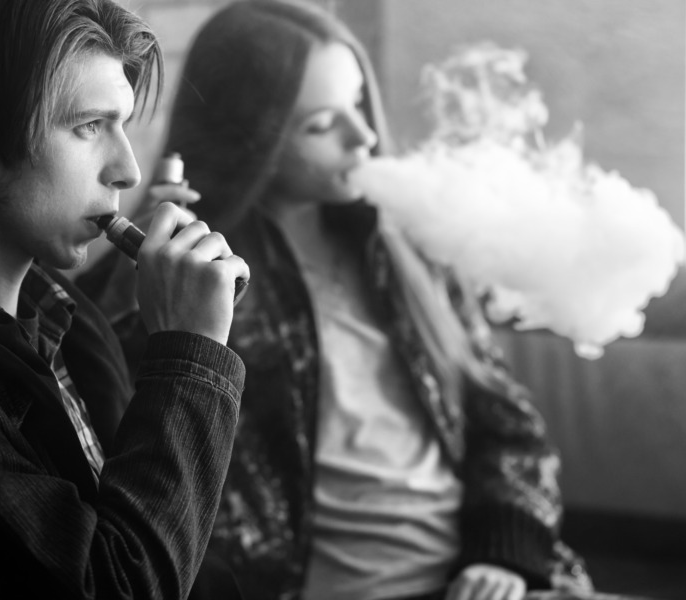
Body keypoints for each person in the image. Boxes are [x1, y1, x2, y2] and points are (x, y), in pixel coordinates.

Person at [79, 1, 594, 599]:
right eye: (322, 125)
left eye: (358, 103)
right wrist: (133, 269)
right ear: (252, 137)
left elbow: (508, 426)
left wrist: (503, 556)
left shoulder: (409, 248)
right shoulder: (201, 276)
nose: (366, 136)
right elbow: (117, 415)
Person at [0, 1, 250, 598]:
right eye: (90, 126)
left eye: (123, 124)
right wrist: (189, 353)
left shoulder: (56, 308)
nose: (128, 170)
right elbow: (115, 585)